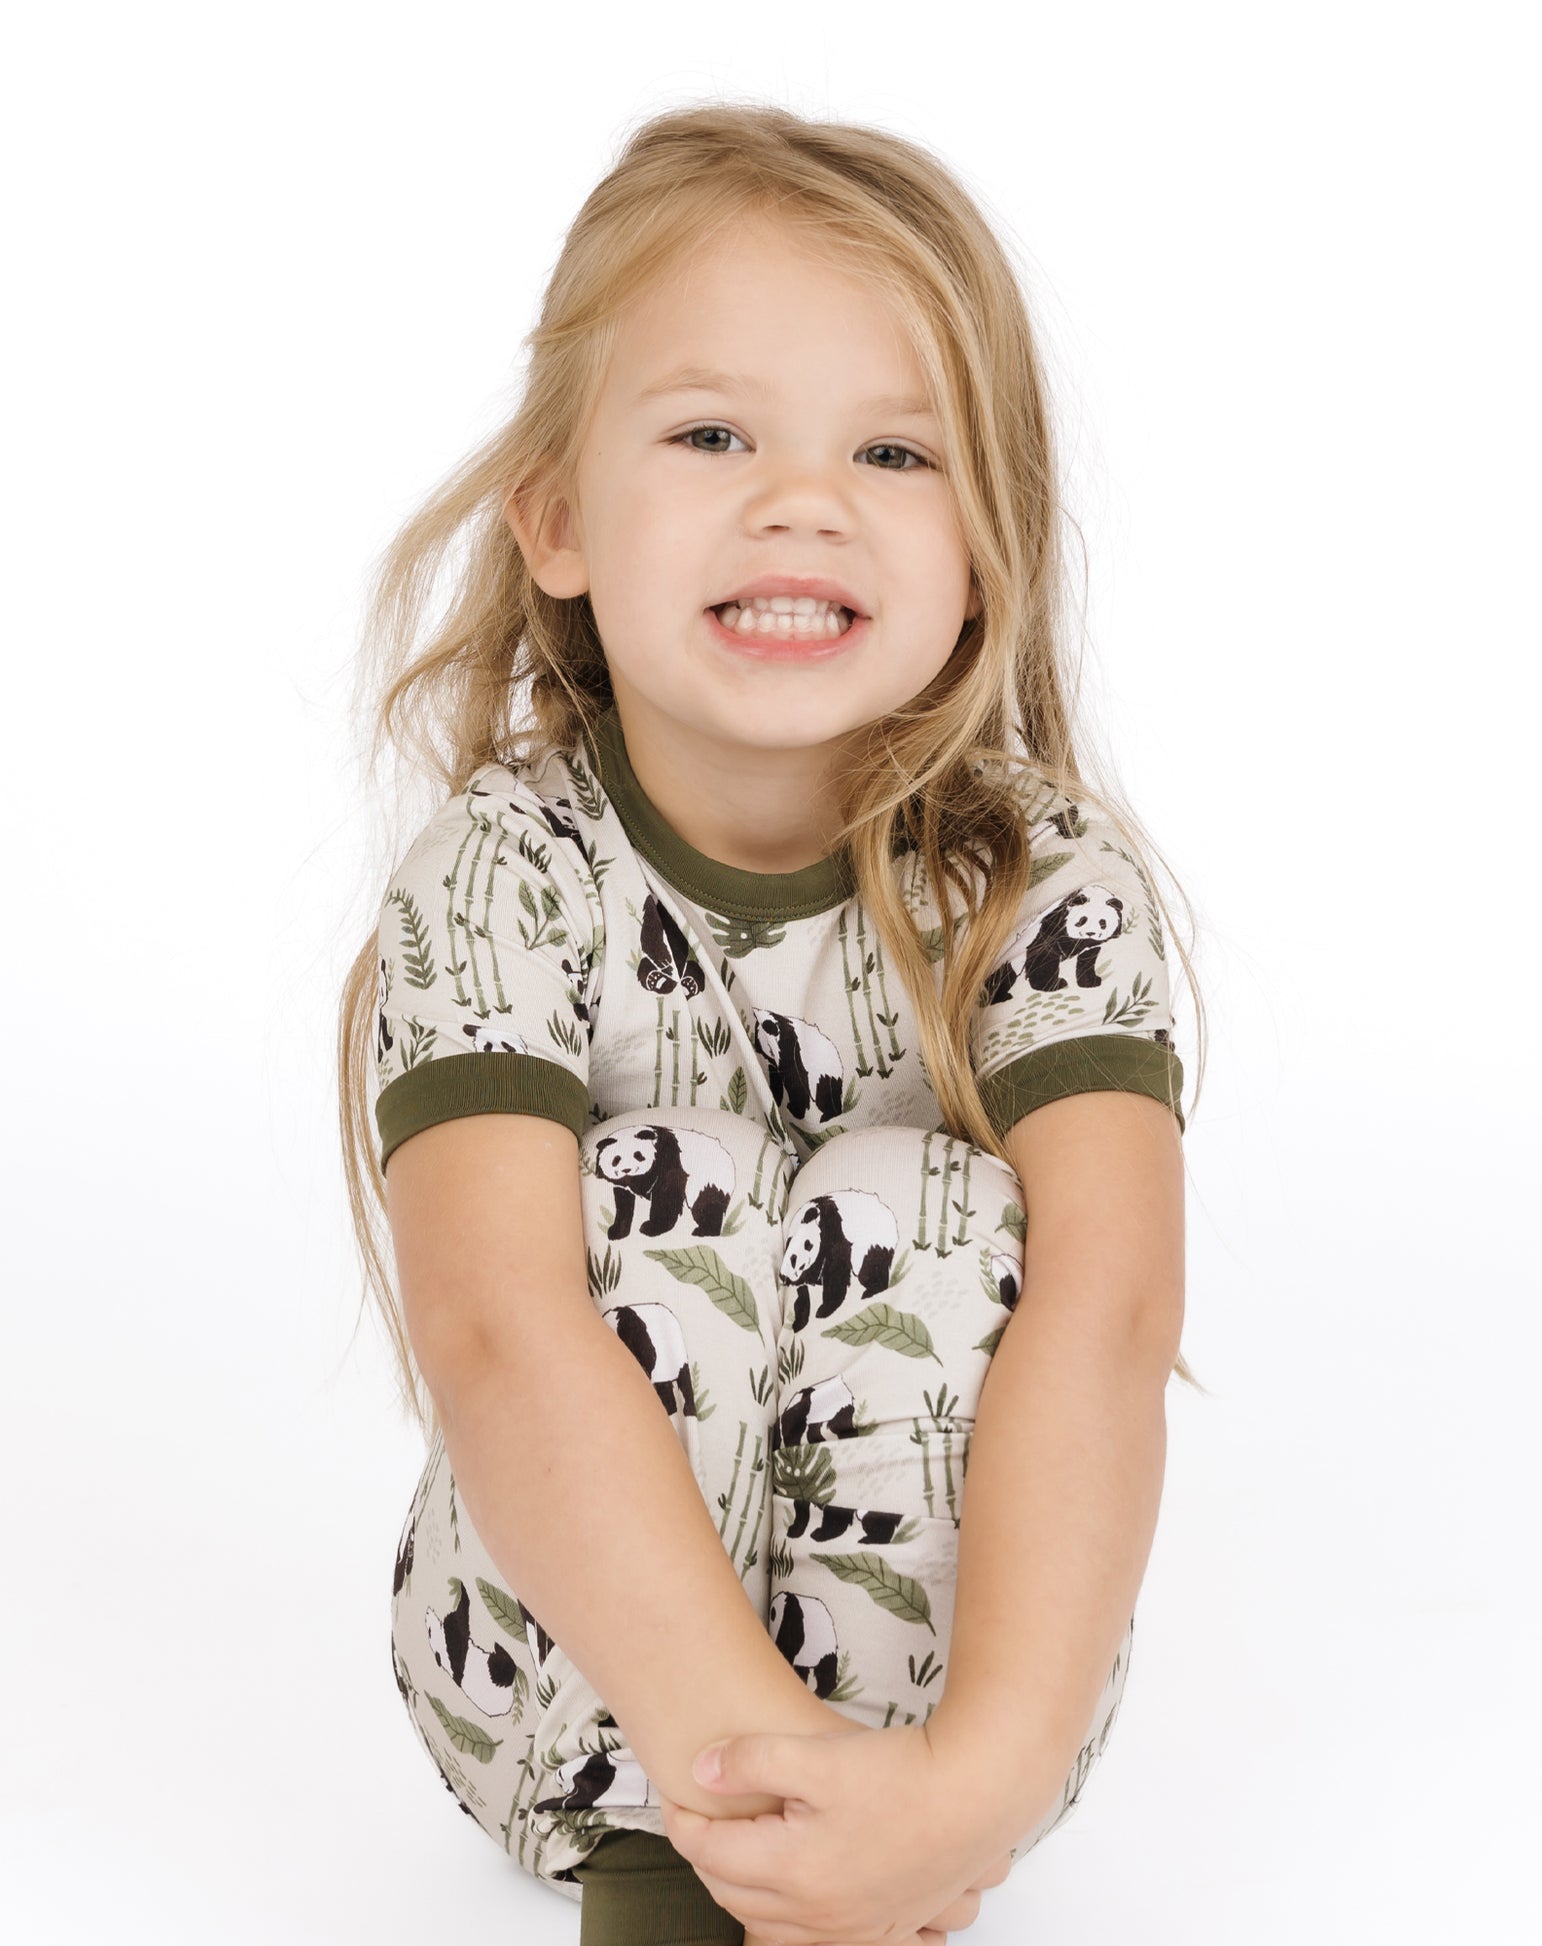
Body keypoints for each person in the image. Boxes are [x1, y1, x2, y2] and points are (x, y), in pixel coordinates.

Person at [339, 101, 1208, 1946]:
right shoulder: (501, 877)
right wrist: (739, 1773)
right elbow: (493, 1328)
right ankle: (697, 1856)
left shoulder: (1039, 887)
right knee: (672, 1186)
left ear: (986, 545)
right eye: (712, 432)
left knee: (951, 1215)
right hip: (555, 1705)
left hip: (963, 1729)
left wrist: (983, 1770)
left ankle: (884, 1831)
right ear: (560, 518)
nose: (799, 499)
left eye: (893, 449)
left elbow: (1115, 1314)